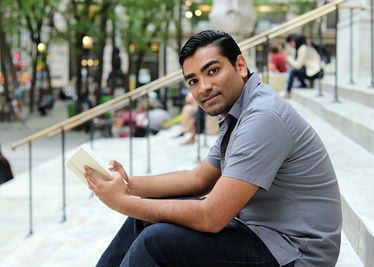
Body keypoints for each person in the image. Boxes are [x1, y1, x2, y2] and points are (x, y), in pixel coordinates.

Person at [84, 30, 342, 267]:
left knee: (156, 242)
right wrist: (127, 184)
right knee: (144, 220)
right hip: (265, 235)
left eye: (212, 71)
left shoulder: (263, 117)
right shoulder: (240, 111)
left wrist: (122, 202)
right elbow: (198, 179)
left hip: (297, 253)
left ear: (240, 66)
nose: (203, 87)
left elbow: (212, 216)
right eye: (193, 81)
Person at [281, 34, 324, 99]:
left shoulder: (303, 48)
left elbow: (298, 65)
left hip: (316, 72)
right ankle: (300, 85)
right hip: (318, 72)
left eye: (294, 41)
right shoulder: (305, 47)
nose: (293, 44)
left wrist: (288, 58)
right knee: (295, 70)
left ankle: (288, 92)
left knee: (293, 71)